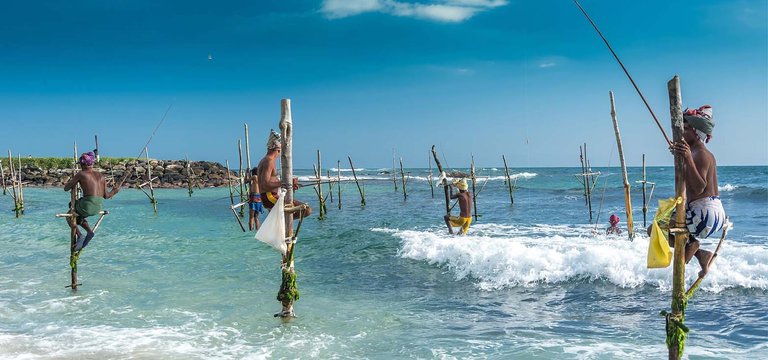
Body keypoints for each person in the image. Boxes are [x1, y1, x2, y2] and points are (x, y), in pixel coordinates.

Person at [668, 104, 725, 277]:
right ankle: (701, 254)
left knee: (656, 229)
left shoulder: (699, 154)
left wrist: (687, 158)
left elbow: (699, 187)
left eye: (684, 129)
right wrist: (682, 158)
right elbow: (685, 182)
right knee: (663, 225)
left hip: (703, 214)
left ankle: (694, 246)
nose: (680, 133)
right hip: (715, 214)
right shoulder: (700, 153)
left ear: (695, 131)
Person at [63, 151, 121, 251]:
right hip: (98, 206)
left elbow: (66, 188)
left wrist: (72, 181)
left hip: (87, 205)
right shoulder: (101, 176)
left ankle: (80, 235)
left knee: (70, 216)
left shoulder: (81, 174)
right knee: (79, 215)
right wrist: (115, 191)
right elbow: (106, 196)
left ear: (82, 164)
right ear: (92, 164)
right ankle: (89, 232)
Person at [256, 129, 311, 219]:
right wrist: (286, 183)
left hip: (271, 196)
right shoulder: (269, 161)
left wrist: (288, 185)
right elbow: (264, 185)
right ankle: (283, 226)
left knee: (302, 210)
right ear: (278, 149)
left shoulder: (266, 160)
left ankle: (281, 226)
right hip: (269, 197)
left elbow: (269, 182)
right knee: (306, 209)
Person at [248, 167, 262, 231]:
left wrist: (246, 174)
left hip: (254, 197)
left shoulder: (254, 177)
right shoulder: (260, 178)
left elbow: (245, 181)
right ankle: (257, 231)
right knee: (256, 217)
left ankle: (250, 231)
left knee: (251, 217)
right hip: (259, 198)